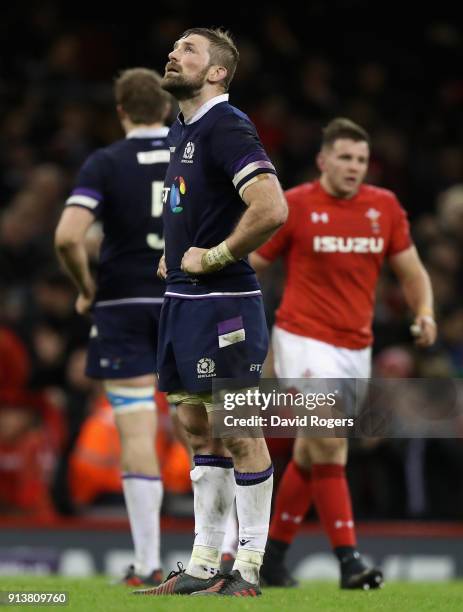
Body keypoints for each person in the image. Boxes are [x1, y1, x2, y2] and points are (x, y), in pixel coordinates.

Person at [250, 117, 436, 589]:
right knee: (331, 439)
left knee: (314, 453)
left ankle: (272, 557)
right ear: (323, 161)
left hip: (356, 346)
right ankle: (350, 561)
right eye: (345, 158)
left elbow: (411, 272)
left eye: (361, 159)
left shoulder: (385, 207)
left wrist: (425, 312)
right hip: (302, 338)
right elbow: (254, 260)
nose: (354, 167)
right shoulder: (295, 204)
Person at [139, 28, 287, 598]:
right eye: (173, 47)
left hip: (224, 302)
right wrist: (175, 257)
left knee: (238, 427)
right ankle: (203, 563)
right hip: (183, 300)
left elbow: (271, 207)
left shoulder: (226, 125)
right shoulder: (184, 128)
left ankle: (247, 569)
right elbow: (195, 205)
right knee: (194, 426)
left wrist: (218, 255)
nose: (174, 54)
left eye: (189, 50)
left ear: (218, 72)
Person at [55, 68, 171, 586]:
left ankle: (147, 564)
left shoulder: (105, 162)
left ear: (121, 111)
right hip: (185, 300)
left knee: (136, 426)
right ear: (167, 109)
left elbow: (66, 237)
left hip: (122, 303)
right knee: (207, 429)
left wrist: (85, 288)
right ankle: (224, 554)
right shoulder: (193, 154)